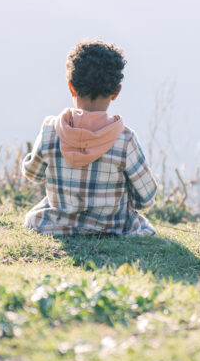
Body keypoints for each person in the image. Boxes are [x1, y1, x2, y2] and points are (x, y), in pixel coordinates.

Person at [23, 40, 157, 236]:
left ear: (71, 87)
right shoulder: (125, 140)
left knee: (34, 216)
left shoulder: (50, 130)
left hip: (54, 226)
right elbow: (146, 198)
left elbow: (32, 174)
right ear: (116, 92)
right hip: (112, 229)